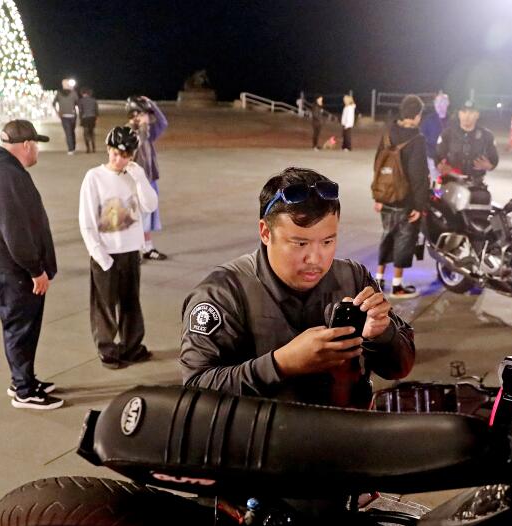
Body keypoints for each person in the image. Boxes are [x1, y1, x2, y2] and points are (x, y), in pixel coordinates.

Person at [179, 166, 414, 408]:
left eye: (328, 241)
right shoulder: (223, 294)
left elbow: (401, 367)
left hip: (345, 437)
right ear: (265, 232)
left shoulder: (352, 278)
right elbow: (195, 391)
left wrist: (382, 335)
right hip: (259, 440)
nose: (315, 258)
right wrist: (281, 364)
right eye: (300, 243)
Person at [0, 120, 63, 410]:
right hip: (14, 271)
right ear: (25, 145)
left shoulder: (2, 171)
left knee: (22, 327)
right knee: (20, 328)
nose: (37, 149)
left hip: (7, 267)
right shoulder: (6, 176)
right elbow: (16, 231)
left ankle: (23, 379)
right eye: (36, 144)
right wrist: (35, 270)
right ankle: (24, 390)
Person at [78, 126, 159, 368]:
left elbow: (150, 205)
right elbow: (86, 221)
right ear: (108, 150)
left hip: (131, 252)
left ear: (132, 155)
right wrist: (100, 255)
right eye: (114, 153)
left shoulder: (133, 176)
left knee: (130, 302)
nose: (118, 159)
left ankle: (132, 346)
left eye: (124, 155)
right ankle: (108, 350)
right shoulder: (94, 177)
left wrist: (140, 178)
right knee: (104, 305)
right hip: (106, 252)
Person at [372, 94, 430, 299]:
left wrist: (377, 196)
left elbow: (378, 164)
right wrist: (420, 205)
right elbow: (419, 175)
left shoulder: (388, 133)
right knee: (404, 241)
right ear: (416, 115)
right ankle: (397, 286)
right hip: (405, 201)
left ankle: (378, 281)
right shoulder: (417, 139)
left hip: (385, 196)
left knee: (386, 236)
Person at [126, 95, 169, 260]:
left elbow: (163, 123)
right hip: (135, 182)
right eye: (144, 114)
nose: (148, 117)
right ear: (134, 114)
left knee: (149, 215)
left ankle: (147, 247)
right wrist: (141, 125)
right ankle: (136, 250)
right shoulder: (128, 132)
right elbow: (138, 142)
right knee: (137, 216)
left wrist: (153, 104)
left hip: (150, 179)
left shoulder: (148, 132)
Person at [436, 100, 499, 182]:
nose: (467, 116)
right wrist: (439, 165)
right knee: (437, 194)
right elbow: (437, 156)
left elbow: (494, 160)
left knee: (484, 195)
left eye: (471, 113)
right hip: (451, 182)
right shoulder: (447, 134)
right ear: (459, 114)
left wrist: (489, 166)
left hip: (476, 184)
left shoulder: (486, 135)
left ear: (477, 115)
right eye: (464, 112)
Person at [420, 91, 448, 180]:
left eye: (442, 102)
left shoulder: (454, 120)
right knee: (436, 185)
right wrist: (435, 160)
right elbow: (422, 140)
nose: (439, 105)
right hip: (432, 158)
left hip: (449, 160)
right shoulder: (428, 120)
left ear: (448, 103)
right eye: (437, 102)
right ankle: (436, 193)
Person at [53, 79, 79, 155]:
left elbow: (53, 103)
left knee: (68, 132)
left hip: (63, 115)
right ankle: (72, 148)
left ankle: (71, 149)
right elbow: (78, 102)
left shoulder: (58, 93)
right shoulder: (73, 93)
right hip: (72, 115)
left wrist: (57, 112)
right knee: (72, 131)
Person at [78, 87, 99, 154]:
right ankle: (94, 148)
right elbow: (96, 110)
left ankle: (88, 149)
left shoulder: (81, 100)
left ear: (82, 93)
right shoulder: (94, 100)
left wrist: (80, 119)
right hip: (92, 118)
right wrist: (96, 118)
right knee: (92, 133)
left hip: (85, 118)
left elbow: (80, 111)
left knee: (86, 134)